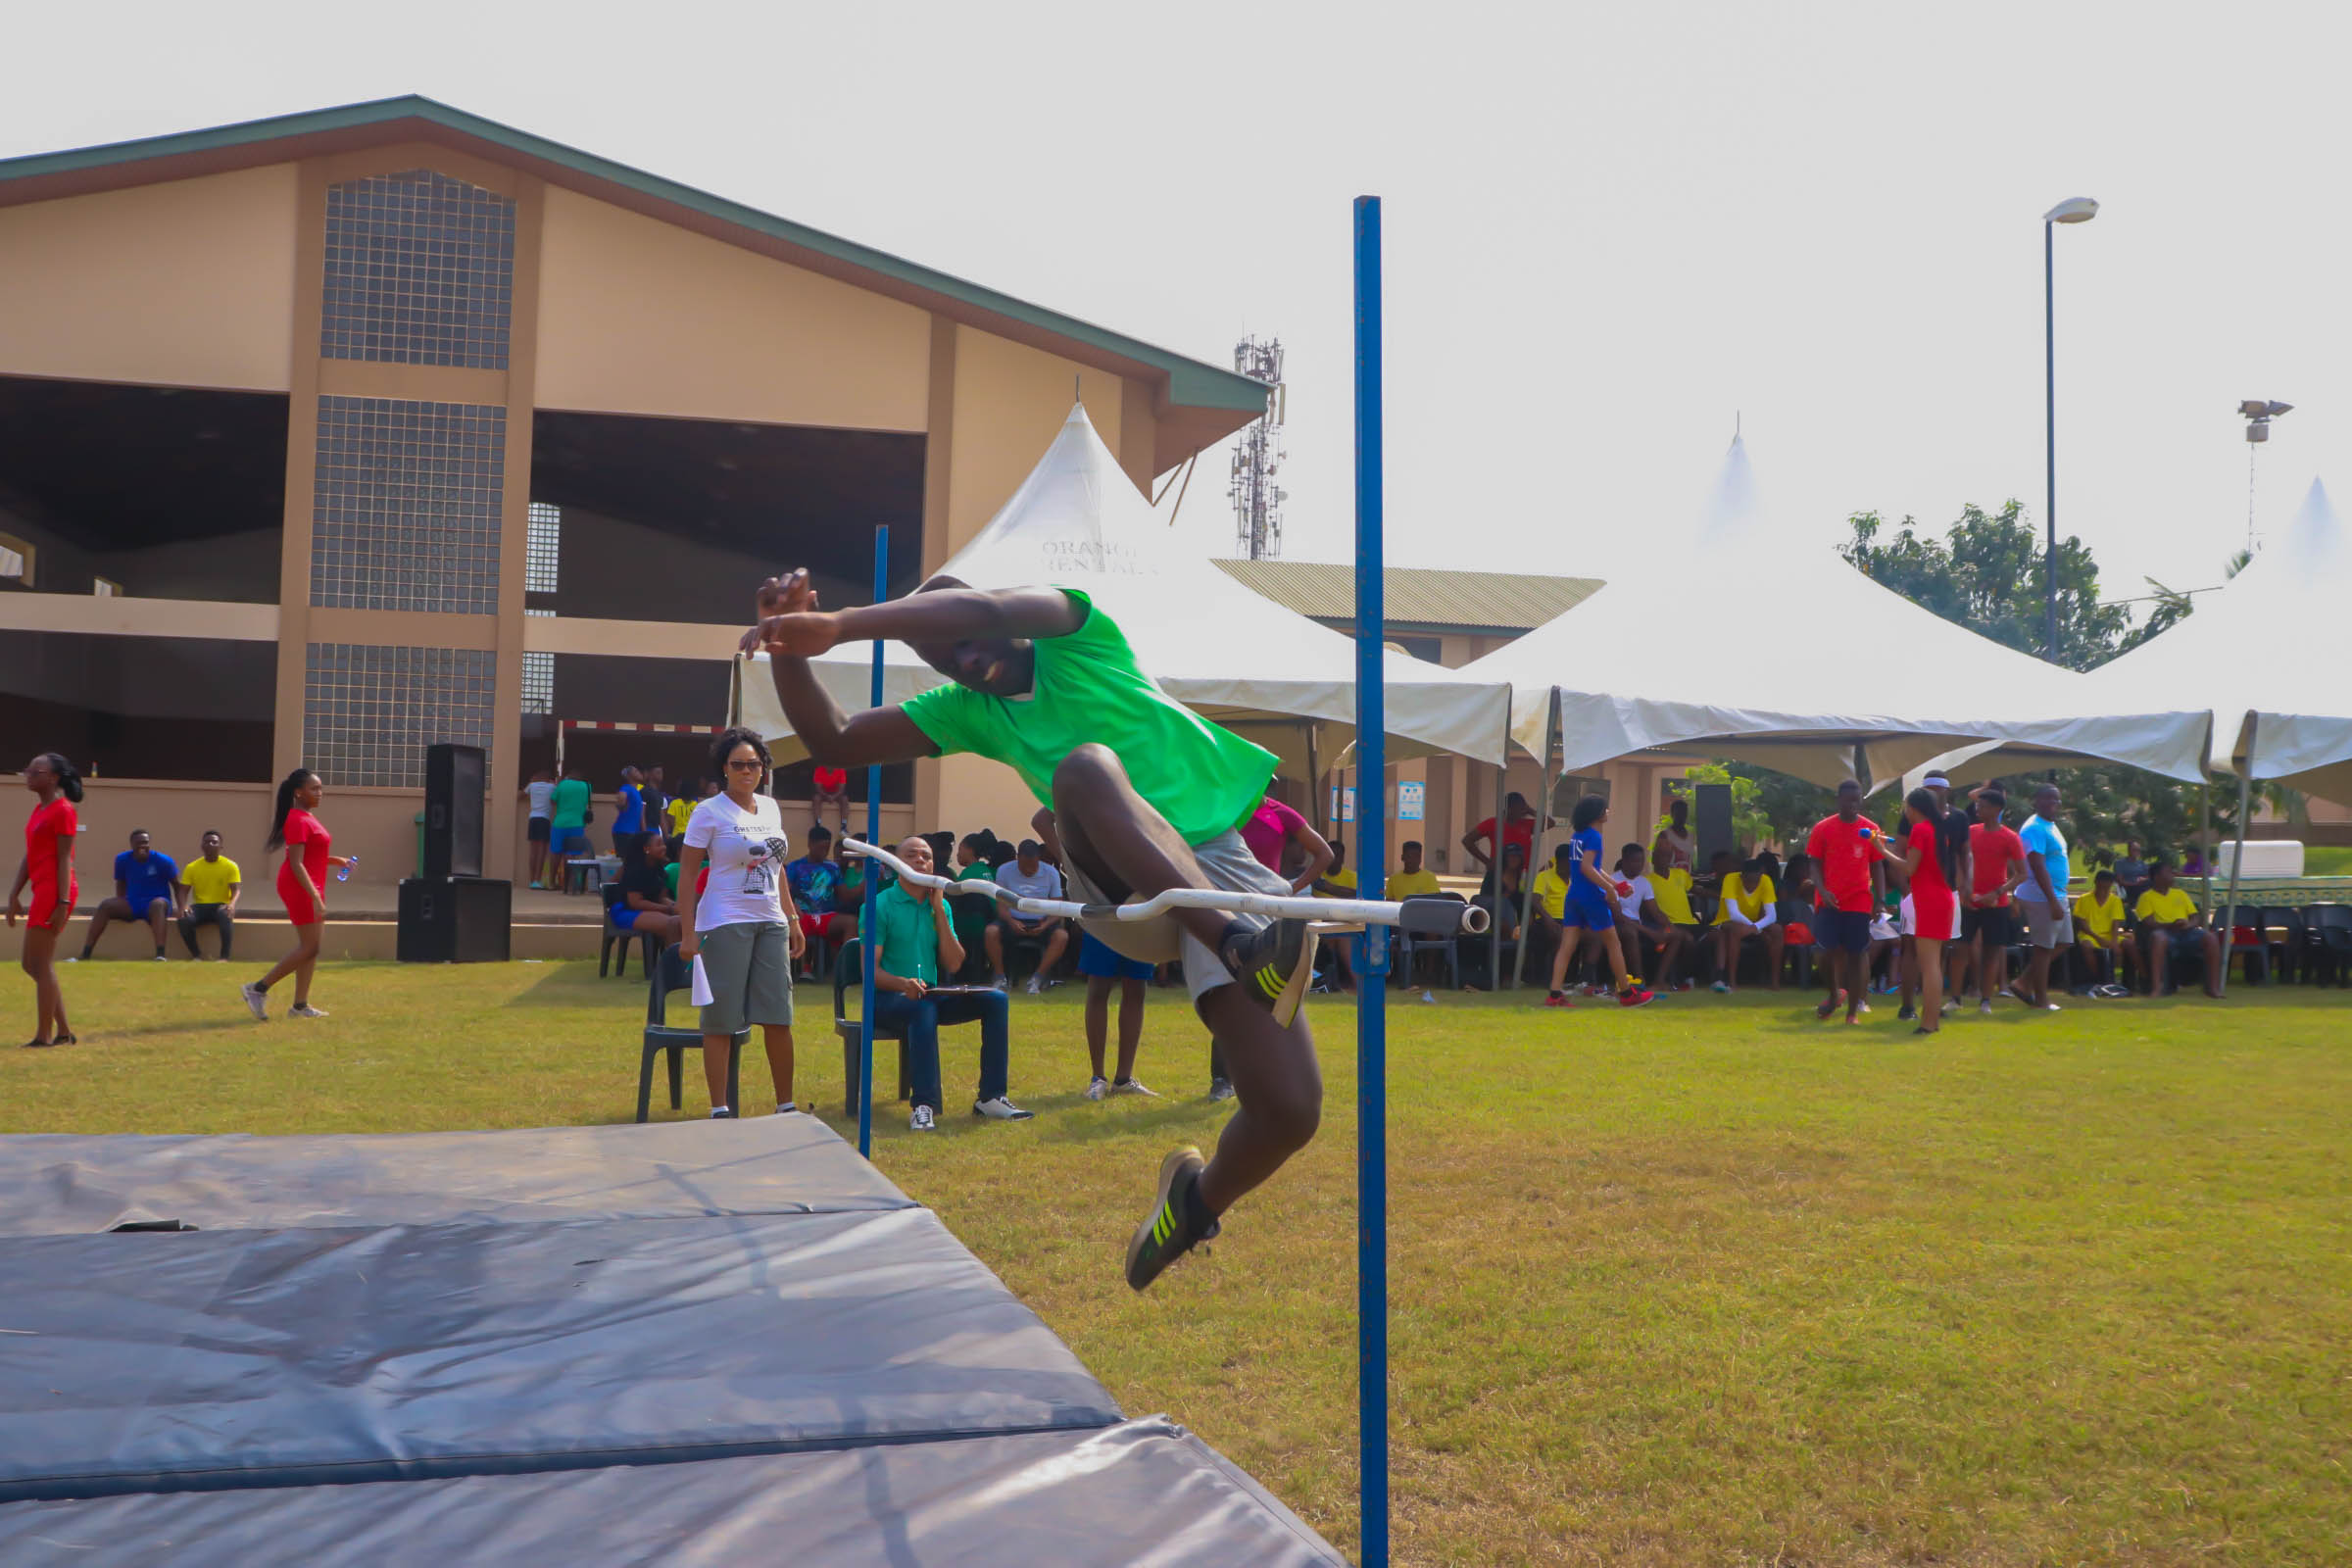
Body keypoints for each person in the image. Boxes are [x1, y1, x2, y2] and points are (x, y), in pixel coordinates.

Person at [748, 567, 1322, 1292]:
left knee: (1289, 1112)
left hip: (1217, 869)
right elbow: (833, 740)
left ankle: (1194, 1200)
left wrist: (845, 623)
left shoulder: (1081, 636)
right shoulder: (968, 710)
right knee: (1083, 769)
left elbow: (982, 603)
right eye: (939, 657)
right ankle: (1240, 948)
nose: (960, 661)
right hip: (1124, 884)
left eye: (961, 640)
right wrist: (790, 649)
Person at [677, 728, 804, 1117]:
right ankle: (720, 1108)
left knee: (778, 1016)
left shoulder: (771, 808)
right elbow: (686, 876)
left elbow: (777, 865)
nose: (747, 771)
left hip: (771, 922)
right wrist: (688, 933)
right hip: (724, 922)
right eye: (738, 765)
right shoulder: (709, 812)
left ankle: (786, 1105)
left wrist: (792, 916)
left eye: (754, 764)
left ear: (763, 769)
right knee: (721, 1019)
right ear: (724, 769)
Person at [868, 833, 1030, 1129]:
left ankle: (991, 1098)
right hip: (888, 998)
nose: (921, 860)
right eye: (912, 855)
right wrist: (903, 984)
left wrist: (941, 913)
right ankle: (924, 1106)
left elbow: (954, 963)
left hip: (929, 994)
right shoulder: (879, 905)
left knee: (996, 1000)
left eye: (926, 856)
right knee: (922, 1008)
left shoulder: (940, 905)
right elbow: (870, 971)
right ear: (895, 863)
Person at [241, 769, 350, 1021]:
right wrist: (314, 896)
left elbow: (313, 855)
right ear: (298, 792)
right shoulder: (297, 819)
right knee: (310, 946)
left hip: (311, 884)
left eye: (320, 788)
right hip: (300, 886)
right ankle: (257, 989)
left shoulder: (308, 818)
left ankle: (300, 1006)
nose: (320, 793)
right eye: (314, 789)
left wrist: (337, 861)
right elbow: (295, 863)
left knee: (312, 948)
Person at [1550, 796, 1653, 1008]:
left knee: (1567, 945)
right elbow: (1587, 868)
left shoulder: (1577, 836)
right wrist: (1609, 889)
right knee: (1613, 942)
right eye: (1604, 809)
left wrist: (1615, 885)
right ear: (1596, 814)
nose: (1607, 811)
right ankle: (1626, 993)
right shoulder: (1595, 837)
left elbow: (1594, 868)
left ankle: (1554, 994)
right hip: (1590, 896)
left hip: (1574, 895)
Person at [9, 753, 82, 1048]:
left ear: (53, 778)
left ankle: (45, 1035)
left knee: (40, 963)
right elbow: (31, 855)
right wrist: (14, 893)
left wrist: (62, 903)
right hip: (43, 889)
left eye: (35, 770)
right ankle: (63, 1032)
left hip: (56, 891)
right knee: (31, 964)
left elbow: (64, 859)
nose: (28, 774)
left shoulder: (63, 810)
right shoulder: (40, 810)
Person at [1804, 779, 1888, 1024]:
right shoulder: (1823, 828)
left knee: (1857, 954)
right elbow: (1814, 863)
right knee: (1823, 952)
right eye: (1848, 799)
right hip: (1829, 900)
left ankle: (1852, 1012)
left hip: (1859, 900)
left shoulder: (1871, 829)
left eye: (1857, 799)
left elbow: (1877, 866)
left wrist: (1880, 901)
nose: (1853, 804)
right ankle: (1834, 994)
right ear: (1839, 800)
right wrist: (1822, 890)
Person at [1888, 786, 1959, 1035]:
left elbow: (1909, 868)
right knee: (1934, 964)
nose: (1905, 811)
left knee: (1929, 965)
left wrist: (1881, 850)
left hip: (1929, 900)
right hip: (1942, 898)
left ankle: (1929, 1023)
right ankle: (1932, 1021)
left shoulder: (1919, 829)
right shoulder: (1938, 830)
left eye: (1907, 806)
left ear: (1914, 808)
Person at [1963, 788, 2028, 1015]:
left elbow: (2022, 873)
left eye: (1983, 805)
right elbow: (1960, 863)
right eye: (1977, 805)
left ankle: (1986, 1000)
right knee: (1961, 947)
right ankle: (1956, 997)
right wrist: (1965, 890)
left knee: (1991, 952)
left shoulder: (2010, 837)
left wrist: (1998, 892)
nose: (1977, 809)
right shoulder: (1970, 832)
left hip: (1995, 903)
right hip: (1970, 900)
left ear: (1997, 809)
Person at [2012, 782, 2073, 1012]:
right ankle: (2041, 1000)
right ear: (2036, 800)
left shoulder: (2050, 825)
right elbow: (2037, 866)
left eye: (2056, 799)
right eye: (2047, 798)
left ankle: (2023, 982)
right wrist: (2052, 901)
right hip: (2042, 897)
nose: (2052, 803)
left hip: (2057, 894)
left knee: (2064, 942)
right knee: (2043, 948)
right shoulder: (2034, 828)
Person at [77, 828, 179, 961]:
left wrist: (182, 908)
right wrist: (121, 903)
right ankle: (86, 954)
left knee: (158, 904)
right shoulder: (122, 860)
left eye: (146, 842)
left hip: (156, 903)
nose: (143, 846)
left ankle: (160, 954)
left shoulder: (164, 861)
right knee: (105, 905)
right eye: (139, 843)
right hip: (133, 903)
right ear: (131, 844)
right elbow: (121, 883)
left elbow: (177, 886)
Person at [988, 838, 1070, 994]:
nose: (1029, 870)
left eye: (1033, 865)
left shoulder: (1050, 873)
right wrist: (1011, 921)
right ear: (1017, 858)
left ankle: (1037, 978)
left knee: (1062, 936)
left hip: (1042, 921)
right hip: (1012, 920)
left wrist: (1045, 925)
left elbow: (1058, 908)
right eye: (1024, 866)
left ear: (1039, 859)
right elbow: (1001, 906)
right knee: (990, 932)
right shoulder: (1004, 870)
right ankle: (1000, 977)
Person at [2133, 859, 2222, 998]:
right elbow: (2148, 922)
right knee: (2158, 937)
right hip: (2165, 933)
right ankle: (2156, 987)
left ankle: (2212, 988)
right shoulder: (2146, 897)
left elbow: (2195, 916)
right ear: (2157, 877)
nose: (2173, 875)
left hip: (2186, 932)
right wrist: (2170, 925)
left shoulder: (2180, 893)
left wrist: (2189, 924)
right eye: (2168, 872)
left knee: (2210, 937)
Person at [1611, 843, 1688, 990]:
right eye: (1635, 861)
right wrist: (1651, 933)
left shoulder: (1643, 882)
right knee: (1631, 933)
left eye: (1641, 861)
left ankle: (1659, 980)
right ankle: (1640, 980)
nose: (1639, 865)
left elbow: (1656, 912)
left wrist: (1668, 928)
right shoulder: (1613, 881)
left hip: (1637, 923)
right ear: (1625, 860)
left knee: (1677, 935)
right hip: (1618, 925)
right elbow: (1618, 916)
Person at [784, 823, 858, 964]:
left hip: (827, 917)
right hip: (802, 915)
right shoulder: (795, 866)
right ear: (810, 844)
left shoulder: (833, 867)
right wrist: (793, 907)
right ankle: (800, 969)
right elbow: (785, 891)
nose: (824, 852)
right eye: (821, 848)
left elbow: (845, 896)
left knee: (851, 922)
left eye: (827, 848)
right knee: (788, 924)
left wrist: (867, 882)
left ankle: (844, 968)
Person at [1710, 857, 1781, 993]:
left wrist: (1755, 927)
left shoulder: (1766, 881)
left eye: (1756, 881)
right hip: (1728, 922)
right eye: (1748, 881)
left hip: (1755, 923)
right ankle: (1732, 981)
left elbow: (1772, 915)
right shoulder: (1730, 879)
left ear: (1761, 876)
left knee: (1777, 930)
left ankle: (1775, 981)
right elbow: (1733, 913)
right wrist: (1755, 928)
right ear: (1742, 877)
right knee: (1737, 930)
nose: (1752, 885)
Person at [1241, 793, 1335, 894]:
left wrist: (1290, 891)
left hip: (1265, 901)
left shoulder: (1280, 813)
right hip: (1229, 898)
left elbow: (1325, 855)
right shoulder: (1227, 809)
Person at [1643, 847, 1705, 990]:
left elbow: (1696, 890)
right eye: (1661, 855)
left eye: (1668, 856)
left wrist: (1719, 896)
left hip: (1691, 922)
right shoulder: (1647, 881)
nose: (1665, 859)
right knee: (1688, 939)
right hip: (1670, 924)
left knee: (1716, 935)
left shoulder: (1681, 874)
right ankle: (1683, 977)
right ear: (1653, 858)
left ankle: (1716, 979)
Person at [176, 830, 240, 960]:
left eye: (214, 842)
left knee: (225, 914)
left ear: (220, 846)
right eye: (207, 842)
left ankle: (224, 957)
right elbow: (182, 891)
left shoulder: (230, 866)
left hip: (221, 905)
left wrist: (232, 904)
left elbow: (236, 889)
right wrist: (183, 906)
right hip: (200, 906)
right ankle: (197, 956)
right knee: (184, 919)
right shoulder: (192, 867)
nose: (210, 844)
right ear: (202, 846)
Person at [612, 834, 683, 952]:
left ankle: (683, 963)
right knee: (674, 923)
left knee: (683, 920)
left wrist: (674, 905)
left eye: (663, 844)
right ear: (646, 849)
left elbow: (662, 897)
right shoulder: (635, 870)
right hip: (626, 910)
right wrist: (668, 910)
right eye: (659, 844)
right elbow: (635, 902)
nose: (664, 847)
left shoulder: (658, 869)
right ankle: (675, 966)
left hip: (648, 909)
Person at [2073, 868, 2133, 997]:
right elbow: (2082, 924)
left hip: (2109, 935)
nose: (2104, 891)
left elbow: (2116, 923)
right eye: (2102, 887)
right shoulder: (2084, 899)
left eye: (2107, 887)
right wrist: (2098, 938)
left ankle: (2137, 980)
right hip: (2090, 935)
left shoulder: (2115, 900)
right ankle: (2098, 980)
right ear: (2096, 883)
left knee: (2130, 945)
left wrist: (2114, 942)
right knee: (2086, 946)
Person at [1312, 841, 1360, 993]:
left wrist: (1328, 888)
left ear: (1343, 858)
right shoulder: (1314, 875)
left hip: (1347, 925)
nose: (1333, 859)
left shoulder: (1352, 877)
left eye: (1337, 855)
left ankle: (1355, 982)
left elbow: (1357, 896)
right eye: (1330, 855)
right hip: (1318, 927)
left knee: (1346, 937)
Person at [1462, 791, 1544, 874]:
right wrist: (1487, 861)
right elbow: (1467, 840)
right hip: (1499, 874)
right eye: (1518, 808)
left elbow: (1550, 822)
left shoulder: (1527, 824)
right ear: (1509, 808)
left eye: (1522, 808)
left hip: (1522, 875)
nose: (1521, 811)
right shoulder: (1493, 823)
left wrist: (1531, 811)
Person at [548, 767, 592, 892]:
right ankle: (571, 884)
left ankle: (552, 882)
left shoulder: (563, 784)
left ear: (569, 775)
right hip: (578, 824)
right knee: (572, 855)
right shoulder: (587, 786)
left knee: (556, 853)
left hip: (560, 823)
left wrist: (559, 785)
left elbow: (552, 801)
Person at [525, 767, 557, 889]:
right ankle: (538, 881)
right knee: (542, 851)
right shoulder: (552, 787)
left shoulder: (532, 786)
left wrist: (531, 781)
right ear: (549, 779)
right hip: (544, 820)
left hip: (533, 818)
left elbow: (521, 795)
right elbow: (556, 798)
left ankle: (531, 880)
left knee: (533, 851)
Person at [1650, 795, 1697, 875]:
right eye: (1678, 813)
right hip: (1669, 881)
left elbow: (1690, 861)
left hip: (1685, 882)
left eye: (1684, 813)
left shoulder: (1691, 836)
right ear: (1672, 814)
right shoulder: (1665, 835)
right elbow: (1655, 861)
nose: (1681, 817)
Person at [612, 766, 650, 867]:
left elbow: (641, 815)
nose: (639, 772)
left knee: (633, 861)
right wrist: (621, 805)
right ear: (629, 776)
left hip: (633, 833)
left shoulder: (637, 791)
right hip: (624, 831)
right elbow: (621, 798)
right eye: (636, 771)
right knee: (627, 862)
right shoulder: (626, 788)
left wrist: (645, 833)